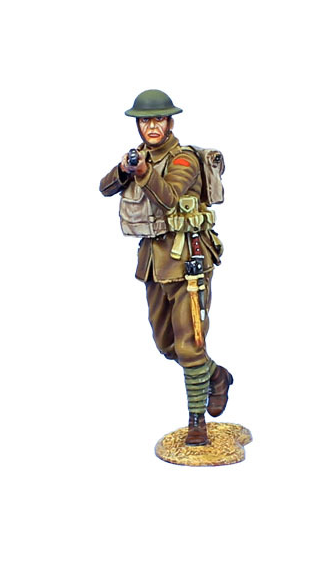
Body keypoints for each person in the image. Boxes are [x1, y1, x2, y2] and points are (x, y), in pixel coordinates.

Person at [99, 89, 233, 446]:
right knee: (166, 344)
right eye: (145, 121)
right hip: (153, 263)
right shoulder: (139, 157)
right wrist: (125, 170)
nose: (152, 126)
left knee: (189, 345)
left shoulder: (183, 159)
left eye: (158, 119)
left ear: (170, 122)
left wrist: (144, 174)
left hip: (186, 261)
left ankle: (196, 423)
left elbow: (171, 198)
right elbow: (104, 188)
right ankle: (216, 375)